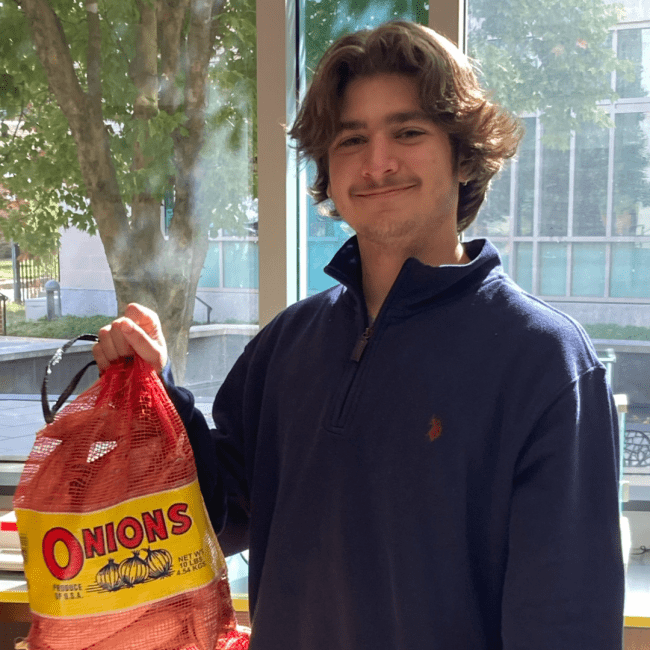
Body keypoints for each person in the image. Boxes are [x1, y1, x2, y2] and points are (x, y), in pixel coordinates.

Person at [93, 20, 625, 650]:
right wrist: (156, 394)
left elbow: (565, 625)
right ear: (328, 170)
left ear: (463, 155)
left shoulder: (544, 361)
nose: (379, 162)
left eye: (408, 131)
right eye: (351, 139)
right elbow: (217, 516)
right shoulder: (289, 343)